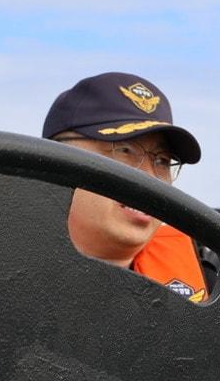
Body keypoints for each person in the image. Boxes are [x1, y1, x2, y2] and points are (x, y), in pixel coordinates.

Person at [42, 72, 209, 301]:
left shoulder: (216, 287)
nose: (149, 176)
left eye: (161, 160)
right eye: (125, 151)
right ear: (56, 158)